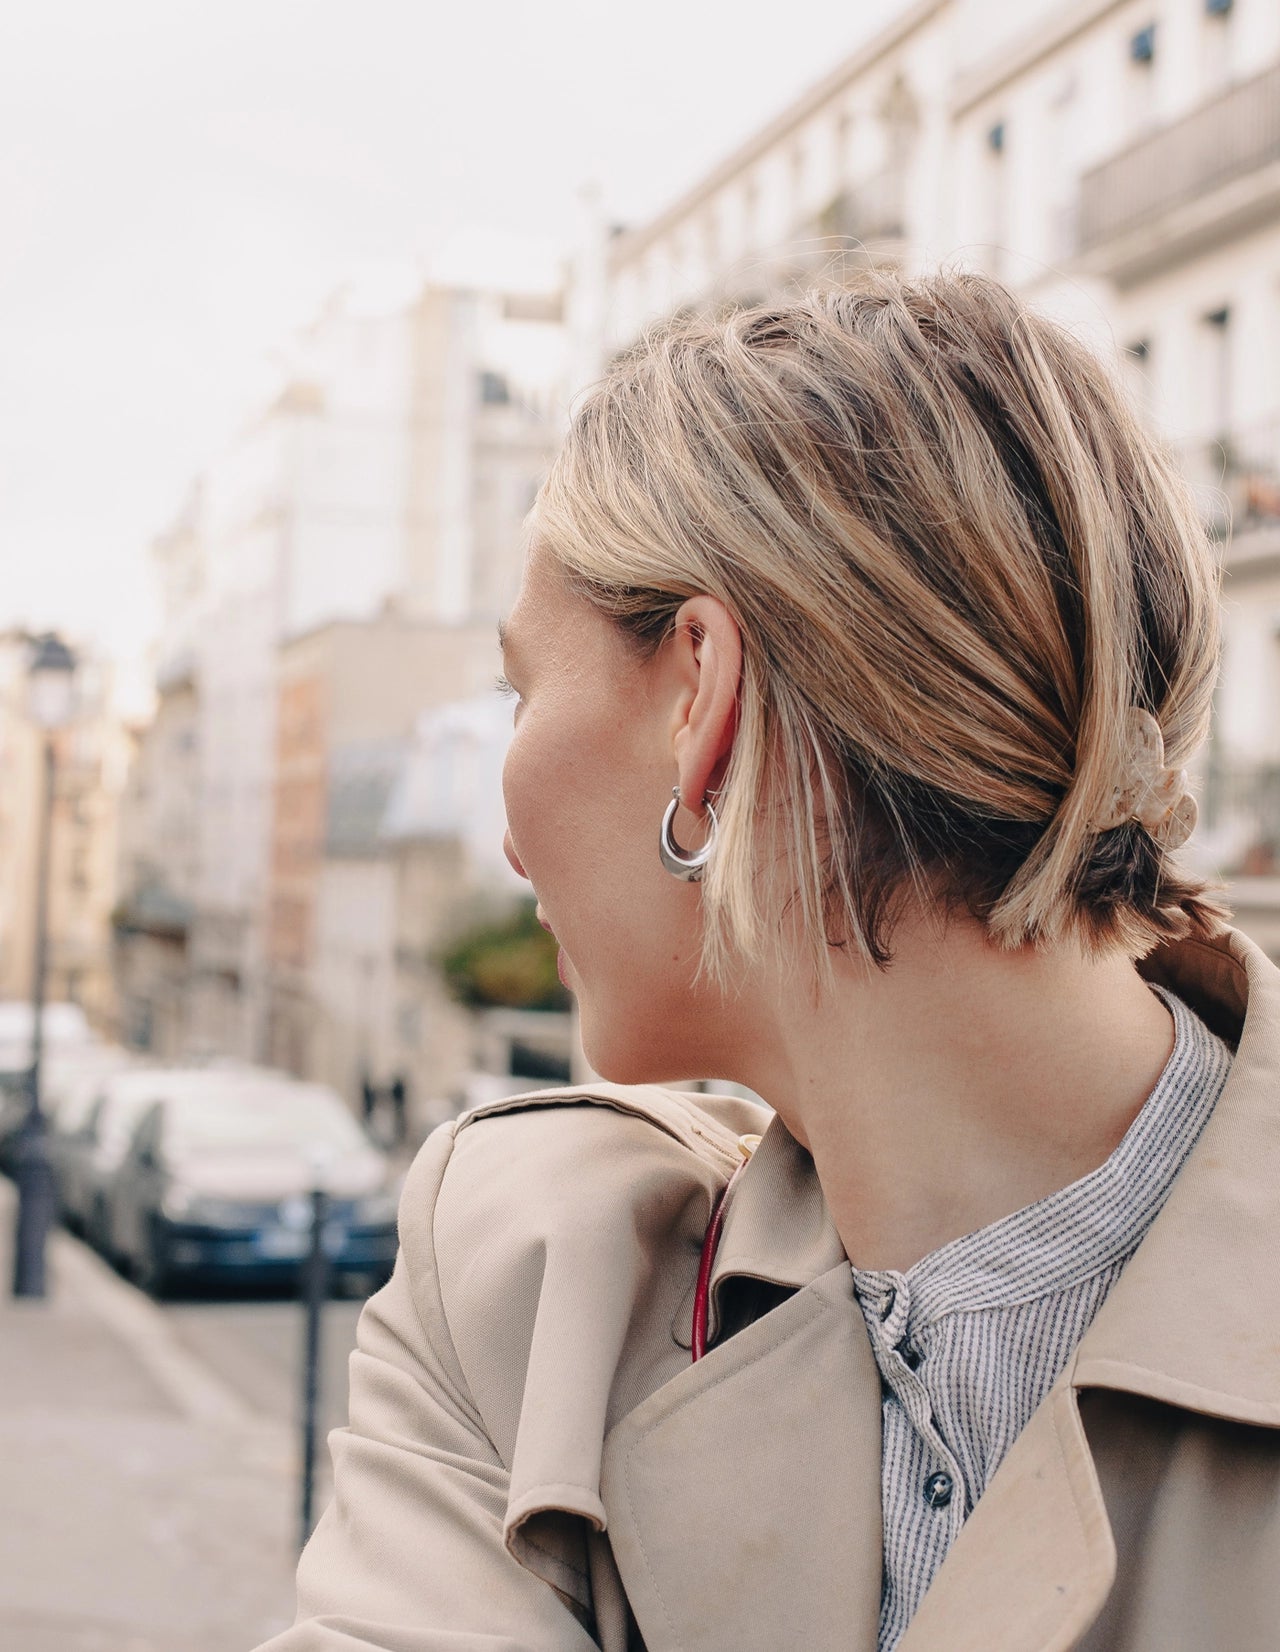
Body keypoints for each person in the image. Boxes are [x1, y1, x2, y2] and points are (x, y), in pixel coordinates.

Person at [257, 272, 1280, 1651]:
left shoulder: (547, 1334)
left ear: (700, 697)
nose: (506, 838)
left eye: (520, 691)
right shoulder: (529, 1283)